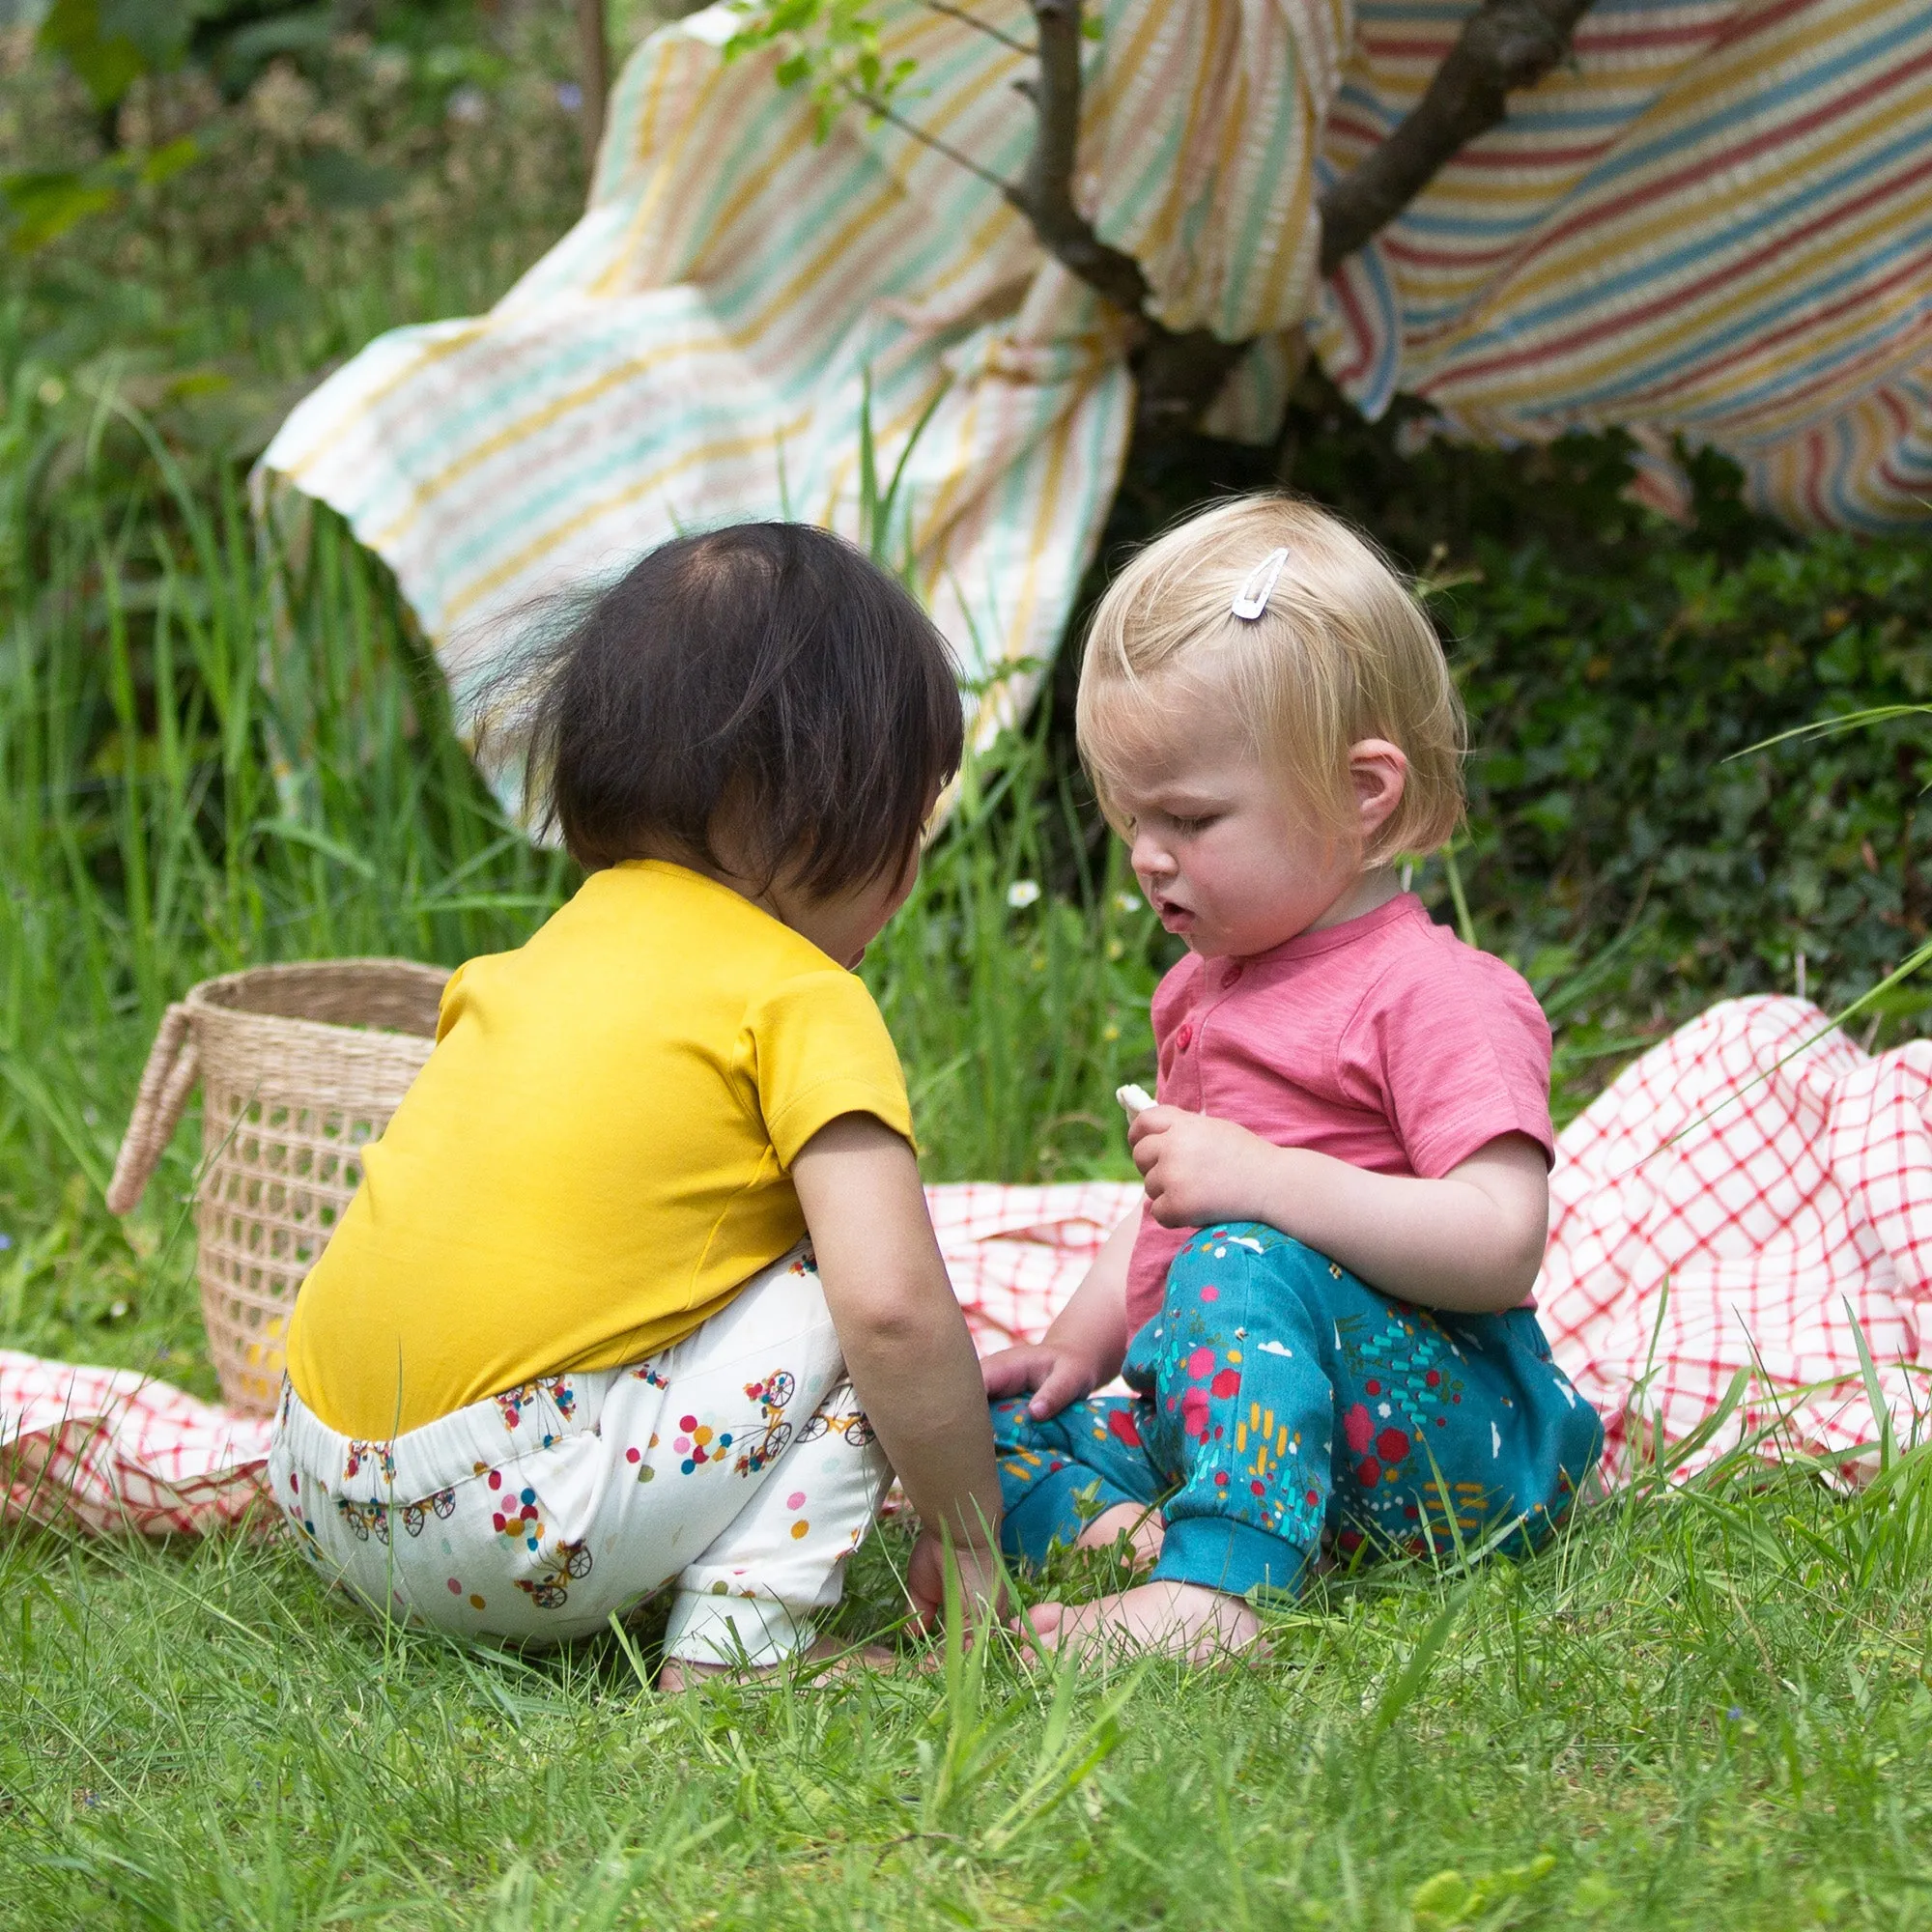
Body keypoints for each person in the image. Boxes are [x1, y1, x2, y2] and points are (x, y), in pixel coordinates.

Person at [269, 523, 1004, 1684]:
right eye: (908, 829)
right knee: (855, 1280)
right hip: (499, 1521)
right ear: (818, 818)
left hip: (315, 1477)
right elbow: (894, 1312)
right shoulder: (798, 991)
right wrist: (968, 1531)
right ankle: (741, 1651)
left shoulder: (522, 966)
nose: (909, 874)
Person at [981, 495, 1604, 1661]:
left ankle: (1214, 1595)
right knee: (989, 1425)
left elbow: (1497, 1238)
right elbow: (1181, 1198)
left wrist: (1263, 1181)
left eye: (1188, 816)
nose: (1145, 854)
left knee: (1241, 1252)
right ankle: (1153, 1534)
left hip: (1452, 1445)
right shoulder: (1205, 984)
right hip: (1246, 1424)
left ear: (1363, 792)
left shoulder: (1433, 993)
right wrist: (1080, 1340)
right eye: (1126, 814)